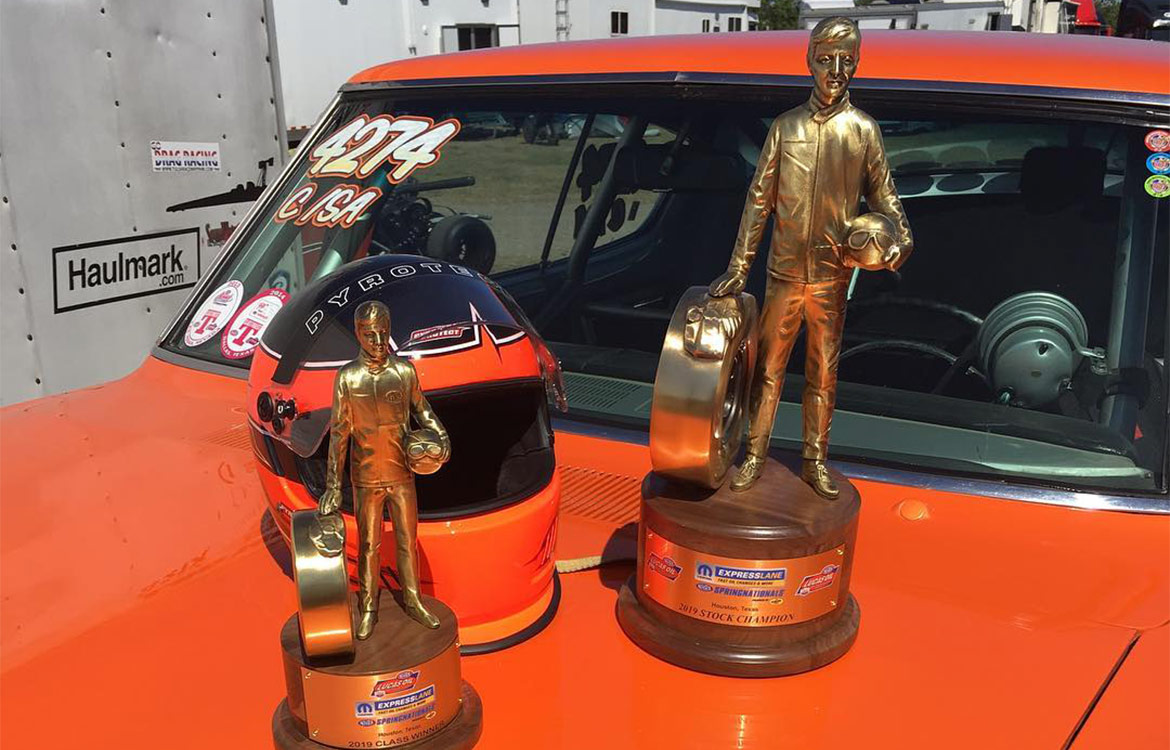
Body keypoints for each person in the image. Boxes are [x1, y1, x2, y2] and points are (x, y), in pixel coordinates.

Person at [708, 16, 912, 498]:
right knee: (767, 371)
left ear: (857, 64)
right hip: (782, 276)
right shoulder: (785, 127)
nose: (836, 70)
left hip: (830, 279)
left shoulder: (863, 131)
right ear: (810, 62)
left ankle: (815, 458)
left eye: (846, 60)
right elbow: (759, 199)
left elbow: (888, 201)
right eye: (826, 60)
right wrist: (740, 266)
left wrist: (897, 246)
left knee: (824, 373)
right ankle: (754, 453)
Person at [318, 300, 451, 637]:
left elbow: (424, 411)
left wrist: (442, 436)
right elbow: (338, 434)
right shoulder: (348, 378)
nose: (377, 341)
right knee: (368, 546)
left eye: (383, 333)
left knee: (408, 540)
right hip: (365, 477)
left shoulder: (404, 372)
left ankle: (413, 599)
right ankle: (368, 607)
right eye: (369, 335)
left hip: (402, 473)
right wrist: (333, 486)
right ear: (358, 335)